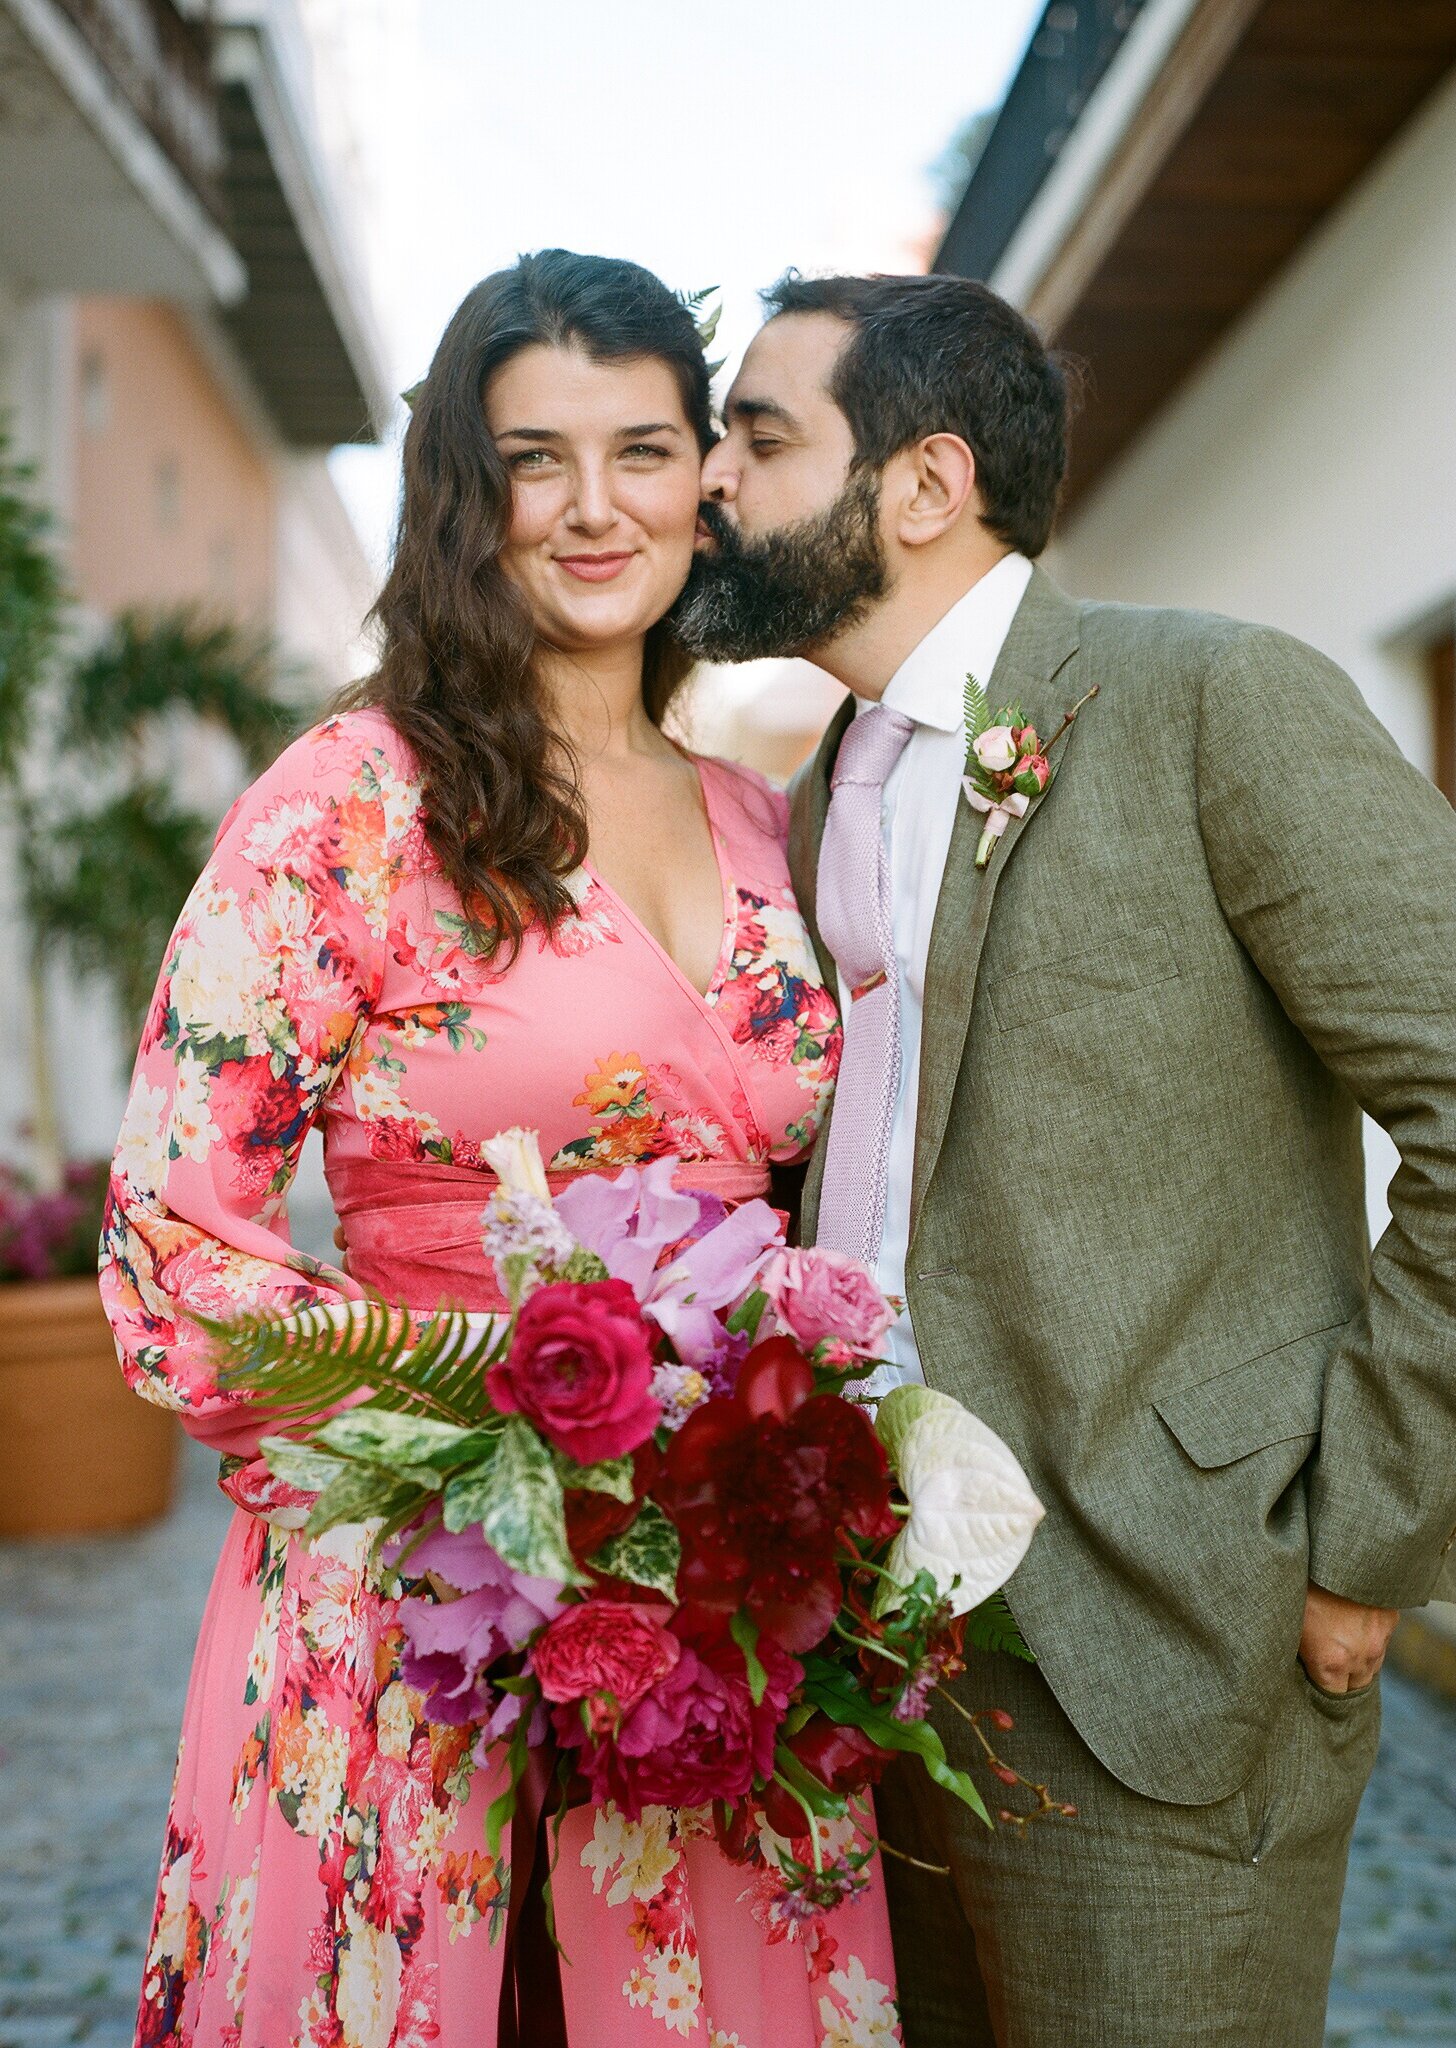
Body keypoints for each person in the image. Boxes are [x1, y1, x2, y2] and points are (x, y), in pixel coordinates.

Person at [671, 269, 1456, 2046]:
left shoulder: (1209, 705)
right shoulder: (821, 792)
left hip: (1164, 1637)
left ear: (924, 482)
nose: (709, 481)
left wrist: (1364, 1536)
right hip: (880, 1655)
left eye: (759, 434)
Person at [99, 250, 897, 2048]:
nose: (596, 507)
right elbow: (171, 1241)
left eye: (641, 448)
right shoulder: (351, 808)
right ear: (471, 493)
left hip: (713, 1613)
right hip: (414, 1584)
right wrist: (473, 1398)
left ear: (708, 475)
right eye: (540, 460)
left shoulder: (772, 821)